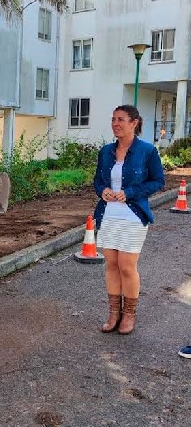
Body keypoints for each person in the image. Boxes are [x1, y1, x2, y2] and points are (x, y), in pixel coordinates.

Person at [93, 104, 165, 335]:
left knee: (126, 266)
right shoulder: (105, 151)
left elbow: (158, 181)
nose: (115, 123)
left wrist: (131, 192)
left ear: (134, 123)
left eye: (121, 119)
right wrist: (102, 190)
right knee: (111, 264)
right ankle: (114, 313)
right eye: (113, 119)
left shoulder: (147, 151)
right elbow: (97, 180)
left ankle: (129, 315)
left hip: (133, 215)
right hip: (108, 214)